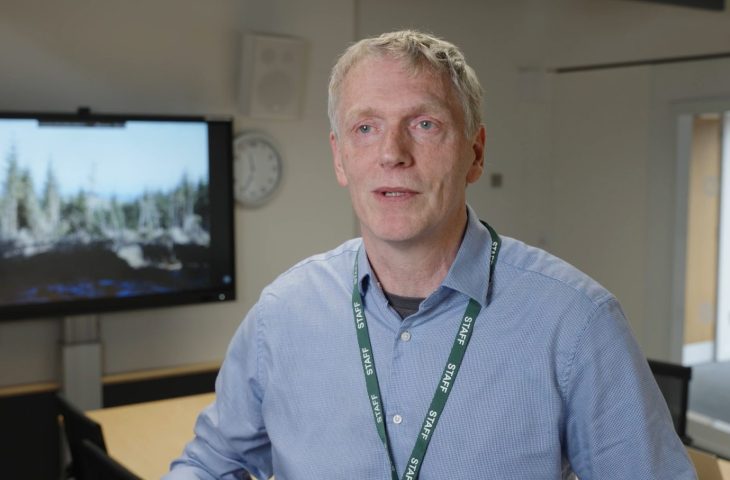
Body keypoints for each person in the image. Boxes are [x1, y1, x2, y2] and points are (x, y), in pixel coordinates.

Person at [165, 30, 696, 479]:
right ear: (340, 158)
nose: (392, 153)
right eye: (365, 128)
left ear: (475, 152)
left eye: (424, 124)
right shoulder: (281, 315)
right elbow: (213, 462)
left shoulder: (577, 324)